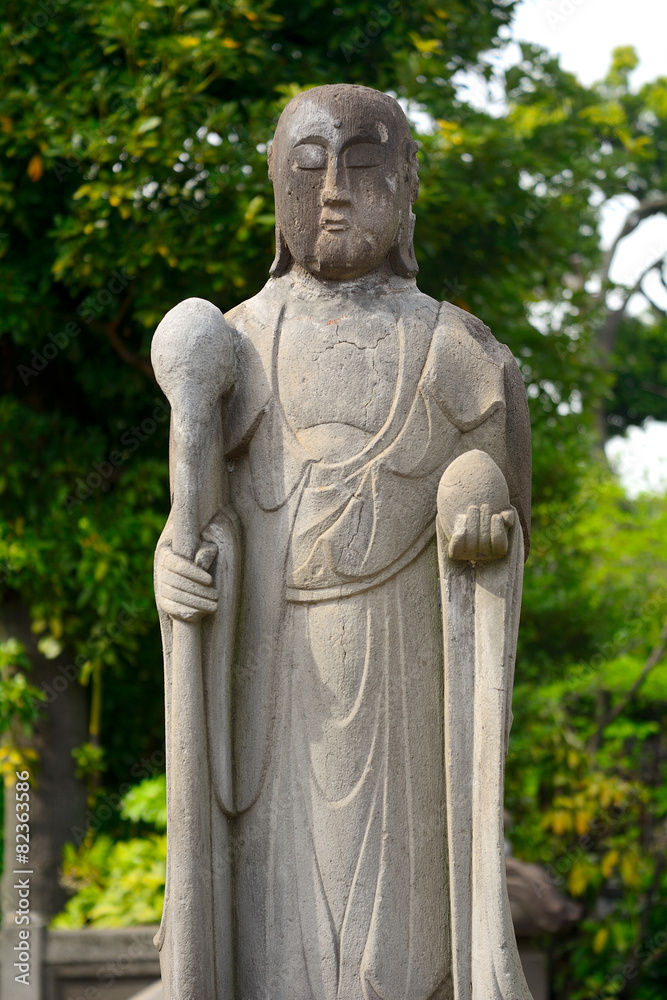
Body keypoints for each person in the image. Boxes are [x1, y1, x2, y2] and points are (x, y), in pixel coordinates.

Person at [155, 83, 532, 1000]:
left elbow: (505, 498)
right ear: (277, 190)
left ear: (405, 186)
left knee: (397, 939)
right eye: (307, 166)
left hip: (407, 684)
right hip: (273, 688)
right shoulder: (237, 342)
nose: (332, 191)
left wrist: (479, 520)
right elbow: (201, 524)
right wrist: (178, 571)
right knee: (272, 928)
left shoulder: (455, 347)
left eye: (362, 166)